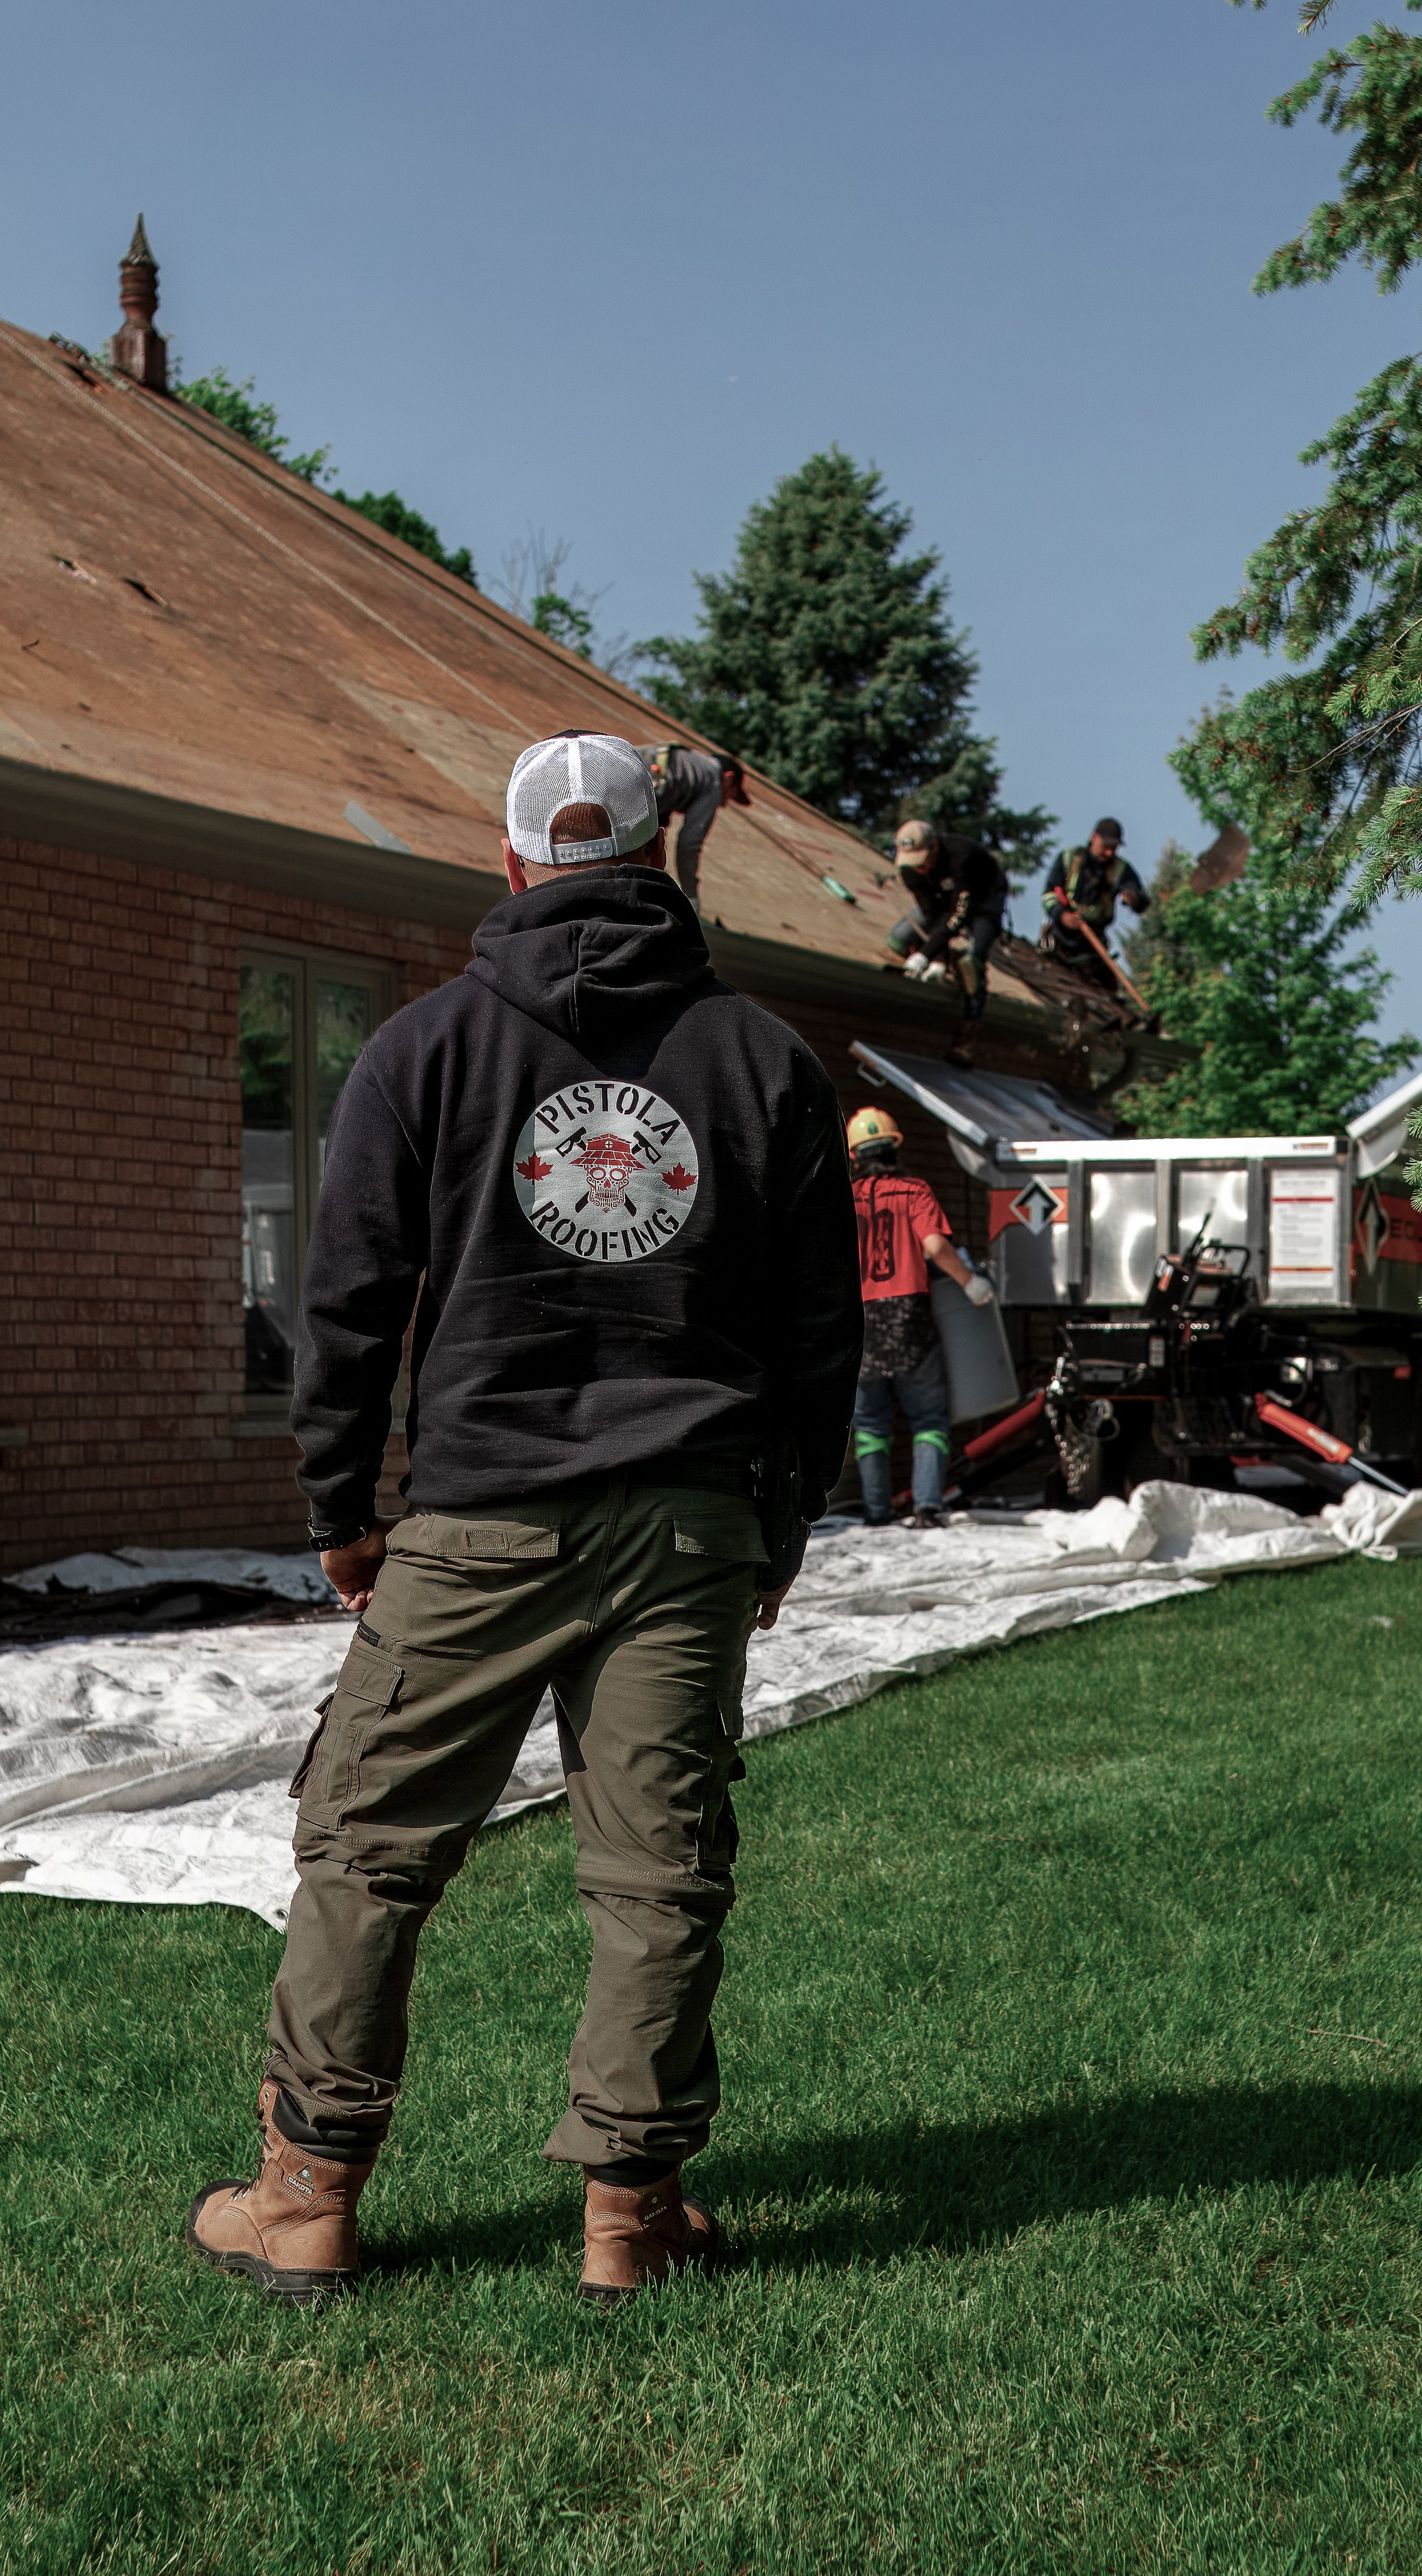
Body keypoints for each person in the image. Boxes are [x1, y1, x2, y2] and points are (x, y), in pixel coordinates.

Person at [187, 731, 862, 2308]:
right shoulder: (766, 1062)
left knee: (366, 1852)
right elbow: (820, 1336)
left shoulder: (422, 1049)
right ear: (650, 863)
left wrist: (345, 1507)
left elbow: (347, 1300)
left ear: (509, 868)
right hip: (689, 1519)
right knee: (658, 1876)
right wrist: (779, 1522)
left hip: (478, 1515)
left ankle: (304, 2201)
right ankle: (629, 2222)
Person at [846, 1104, 995, 1530]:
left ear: (856, 1156)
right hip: (908, 1314)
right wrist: (970, 1283)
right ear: (894, 1148)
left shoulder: (844, 1199)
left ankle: (876, 1514)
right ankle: (928, 1507)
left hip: (860, 1321)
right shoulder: (914, 1191)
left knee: (871, 1423)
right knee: (928, 1419)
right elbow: (934, 1246)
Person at [887, 820, 1009, 1047]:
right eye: (914, 863)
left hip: (984, 898)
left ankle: (970, 1027)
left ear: (935, 847)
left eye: (922, 861)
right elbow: (932, 914)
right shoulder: (910, 871)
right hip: (946, 902)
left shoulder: (961, 855)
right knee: (898, 938)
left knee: (973, 959)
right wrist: (938, 959)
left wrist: (925, 954)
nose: (920, 869)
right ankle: (946, 959)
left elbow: (959, 913)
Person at [642, 742, 750, 912]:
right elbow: (689, 845)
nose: (724, 805)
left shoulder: (692, 762)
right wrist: (691, 897)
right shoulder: (713, 782)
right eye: (730, 796)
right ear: (729, 778)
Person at [1041, 817, 1146, 988]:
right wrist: (1062, 916)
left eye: (1114, 848)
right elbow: (1050, 894)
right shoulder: (1069, 861)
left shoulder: (1120, 871)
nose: (1110, 853)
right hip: (1060, 942)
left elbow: (1138, 896)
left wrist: (1133, 898)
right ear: (1094, 838)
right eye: (1106, 847)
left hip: (1094, 950)